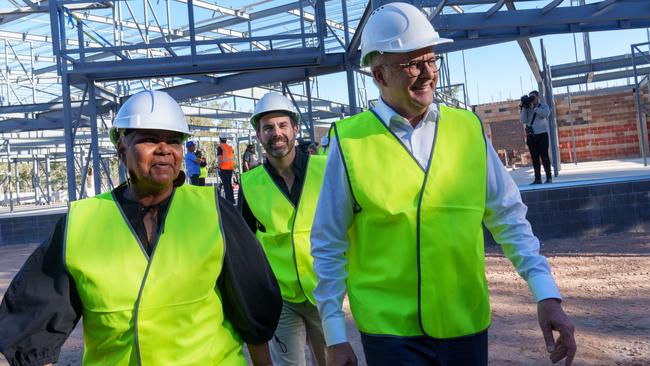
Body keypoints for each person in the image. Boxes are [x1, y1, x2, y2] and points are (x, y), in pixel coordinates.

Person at [310, 3, 576, 366]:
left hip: (463, 324)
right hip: (390, 335)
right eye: (411, 64)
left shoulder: (467, 130)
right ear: (379, 75)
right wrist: (335, 336)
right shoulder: (350, 141)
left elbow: (509, 216)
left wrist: (546, 294)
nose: (427, 73)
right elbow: (328, 242)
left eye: (431, 60)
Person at [0, 90, 282, 366]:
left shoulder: (213, 211)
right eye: (149, 139)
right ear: (122, 148)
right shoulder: (81, 223)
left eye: (173, 141)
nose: (164, 149)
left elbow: (252, 304)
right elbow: (35, 321)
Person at [239, 92, 328, 366]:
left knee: (330, 360)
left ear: (295, 129)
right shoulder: (249, 183)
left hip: (324, 290)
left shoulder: (324, 170)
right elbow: (245, 243)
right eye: (268, 128)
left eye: (282, 126)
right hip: (280, 297)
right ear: (258, 135)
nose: (276, 133)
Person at [521, 90, 553, 184]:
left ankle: (549, 178)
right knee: (534, 158)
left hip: (542, 135)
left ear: (538, 97)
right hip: (531, 136)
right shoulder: (528, 108)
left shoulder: (543, 106)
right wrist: (524, 108)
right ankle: (537, 179)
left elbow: (546, 114)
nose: (531, 99)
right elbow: (523, 120)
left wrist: (534, 108)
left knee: (545, 157)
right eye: (530, 97)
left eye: (533, 97)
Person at [217, 135, 236, 203]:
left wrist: (218, 167)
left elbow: (220, 159)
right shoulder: (230, 147)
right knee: (229, 185)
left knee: (226, 185)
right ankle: (232, 200)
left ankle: (228, 202)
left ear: (220, 139)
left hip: (223, 168)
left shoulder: (220, 147)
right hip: (230, 168)